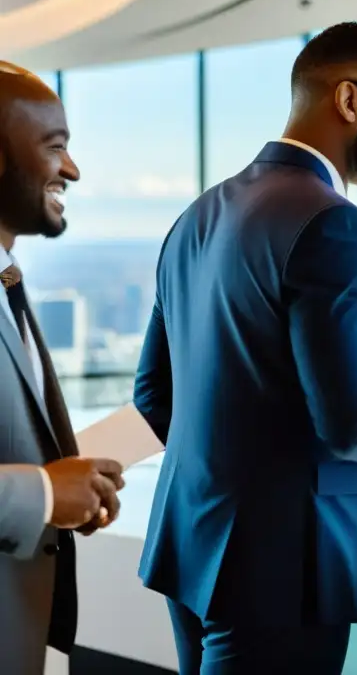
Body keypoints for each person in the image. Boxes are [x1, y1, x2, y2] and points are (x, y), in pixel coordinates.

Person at [133, 23, 357, 673]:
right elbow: (354, 420)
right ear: (351, 101)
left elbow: (154, 396)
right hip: (283, 572)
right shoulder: (335, 225)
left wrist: (236, 474)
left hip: (193, 547)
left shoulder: (196, 216)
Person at [0, 62, 125, 673]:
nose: (71, 170)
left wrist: (72, 483)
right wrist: (47, 493)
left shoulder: (8, 282)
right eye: (56, 148)